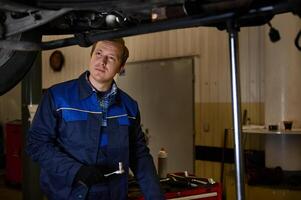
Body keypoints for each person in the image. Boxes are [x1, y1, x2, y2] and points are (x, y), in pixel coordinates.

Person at [26, 38, 165, 200]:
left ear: (121, 68)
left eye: (111, 57)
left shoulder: (129, 106)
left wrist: (155, 196)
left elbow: (139, 155)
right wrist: (75, 171)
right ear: (91, 57)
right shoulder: (57, 97)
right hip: (68, 193)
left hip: (114, 194)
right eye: (98, 53)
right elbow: (36, 144)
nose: (102, 61)